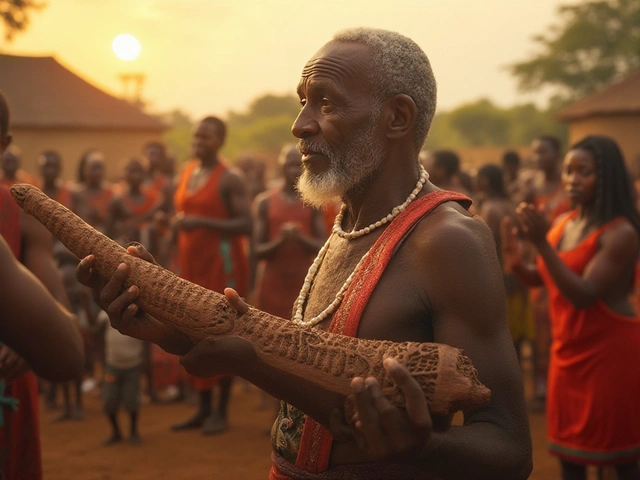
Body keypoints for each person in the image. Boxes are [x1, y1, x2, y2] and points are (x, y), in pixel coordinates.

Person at [77, 28, 531, 479]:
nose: (300, 125)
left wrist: (424, 448)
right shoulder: (347, 226)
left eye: (326, 103)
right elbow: (308, 377)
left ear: (396, 118)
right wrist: (180, 331)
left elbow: (507, 447)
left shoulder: (448, 241)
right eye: (303, 102)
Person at [502, 135, 640, 480]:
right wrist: (518, 263)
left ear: (606, 177)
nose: (572, 179)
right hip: (567, 355)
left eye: (584, 172)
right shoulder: (564, 223)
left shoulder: (620, 232)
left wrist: (540, 245)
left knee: (620, 460)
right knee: (570, 458)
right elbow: (545, 277)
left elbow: (584, 293)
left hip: (608, 356)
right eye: (568, 170)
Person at [0, 89, 84, 480]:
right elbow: (67, 348)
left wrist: (26, 335)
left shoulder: (20, 213)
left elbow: (57, 304)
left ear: (5, 145)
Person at [170, 115, 252, 435]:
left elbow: (246, 225)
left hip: (223, 266)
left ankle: (221, 411)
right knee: (193, 331)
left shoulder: (230, 178)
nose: (198, 143)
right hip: (192, 265)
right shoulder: (188, 171)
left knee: (222, 332)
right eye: (195, 137)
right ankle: (202, 409)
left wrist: (201, 223)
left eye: (205, 138)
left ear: (220, 141)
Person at [525, 134, 570, 410]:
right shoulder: (535, 188)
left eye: (543, 152)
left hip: (567, 261)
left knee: (564, 323)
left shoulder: (570, 187)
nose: (538, 158)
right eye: (535, 153)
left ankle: (563, 384)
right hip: (540, 263)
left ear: (557, 153)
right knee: (541, 327)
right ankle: (544, 387)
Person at [476, 164, 534, 359]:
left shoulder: (489, 208)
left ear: (485, 181)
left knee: (505, 341)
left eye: (478, 177)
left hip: (500, 279)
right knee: (518, 336)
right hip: (518, 276)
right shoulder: (511, 204)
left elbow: (486, 248)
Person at [94, 306, 145, 445]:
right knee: (109, 400)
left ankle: (133, 432)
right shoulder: (107, 313)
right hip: (112, 367)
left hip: (133, 366)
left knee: (131, 400)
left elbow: (146, 341)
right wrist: (102, 358)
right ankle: (116, 432)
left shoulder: (139, 315)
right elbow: (97, 333)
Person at [72, 150, 114, 234]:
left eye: (100, 168)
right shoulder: (76, 193)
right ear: (84, 169)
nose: (97, 172)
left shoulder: (111, 193)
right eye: (93, 168)